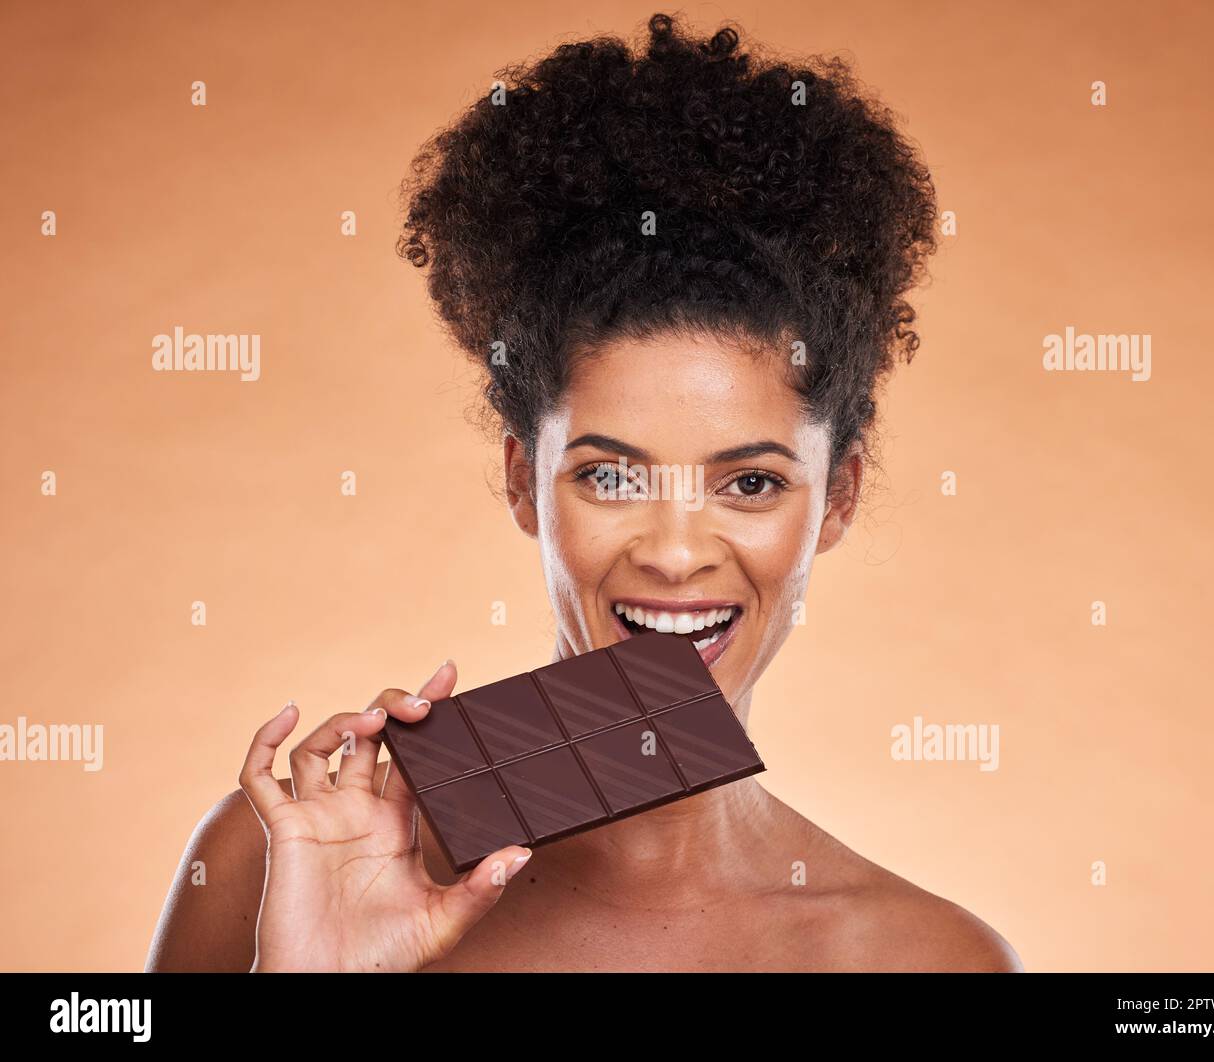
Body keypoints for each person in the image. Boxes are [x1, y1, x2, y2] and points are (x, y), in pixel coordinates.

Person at [147, 13, 1022, 972]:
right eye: (610, 474)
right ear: (526, 481)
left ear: (838, 498)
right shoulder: (292, 857)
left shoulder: (921, 958)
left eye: (750, 482)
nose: (677, 551)